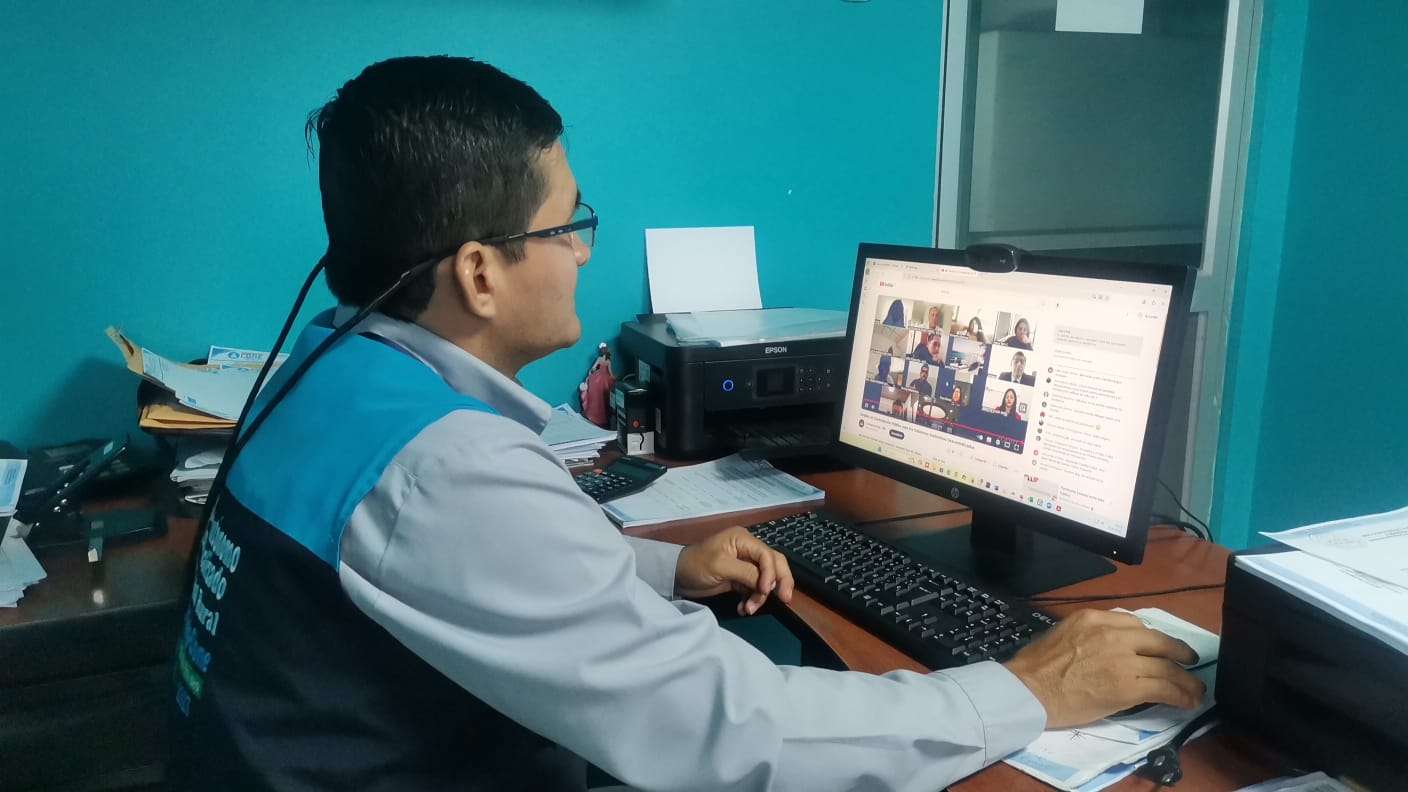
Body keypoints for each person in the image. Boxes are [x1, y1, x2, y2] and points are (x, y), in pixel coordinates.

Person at [170, 56, 1203, 791]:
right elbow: (728, 733)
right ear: (480, 273)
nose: (584, 251)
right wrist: (1024, 691)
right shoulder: (445, 468)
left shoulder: (326, 372)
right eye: (570, 224)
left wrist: (663, 569)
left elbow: (455, 569)